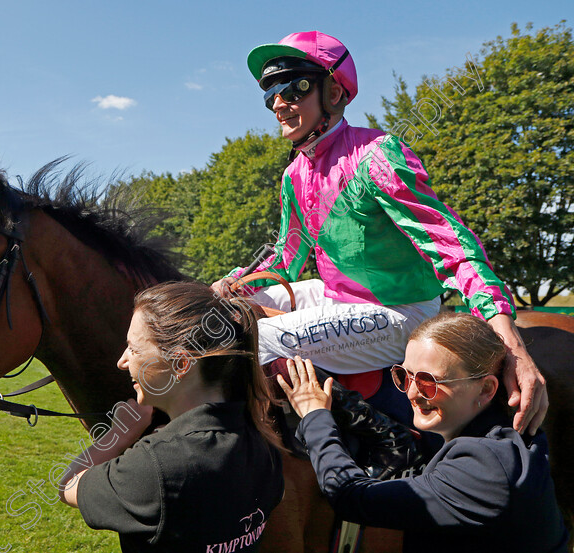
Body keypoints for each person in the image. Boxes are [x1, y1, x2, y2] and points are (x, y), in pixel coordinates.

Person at [211, 31, 547, 442]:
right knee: (221, 316)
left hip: (401, 311)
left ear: (334, 92)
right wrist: (237, 281)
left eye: (294, 88)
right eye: (271, 95)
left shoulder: (378, 155)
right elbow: (287, 255)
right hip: (339, 299)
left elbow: (454, 247)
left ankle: (325, 445)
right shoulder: (294, 174)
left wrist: (510, 344)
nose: (279, 103)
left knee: (256, 339)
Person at [278, 312, 569, 553]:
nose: (413, 393)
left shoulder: (484, 470)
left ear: (486, 388)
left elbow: (349, 497)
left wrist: (315, 415)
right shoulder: (510, 435)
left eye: (429, 381)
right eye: (404, 376)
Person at [58, 281, 285, 552]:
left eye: (133, 348)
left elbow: (68, 485)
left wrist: (119, 434)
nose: (122, 361)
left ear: (181, 363)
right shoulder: (265, 444)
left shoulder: (153, 467)